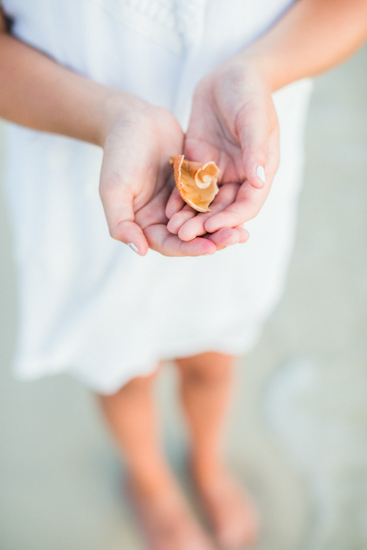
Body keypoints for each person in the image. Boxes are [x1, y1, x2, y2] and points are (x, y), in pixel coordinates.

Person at [0, 1, 366, 548]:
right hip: (83, 170)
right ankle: (150, 483)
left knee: (216, 357)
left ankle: (207, 464)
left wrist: (259, 70)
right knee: (123, 369)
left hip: (244, 150)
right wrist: (109, 116)